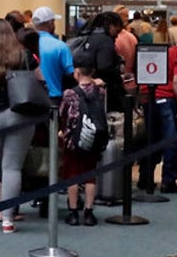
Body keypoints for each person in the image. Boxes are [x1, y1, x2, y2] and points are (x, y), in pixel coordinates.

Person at [0, 19, 44, 234]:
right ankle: (8, 220)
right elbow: (40, 78)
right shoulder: (24, 56)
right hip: (18, 114)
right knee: (12, 167)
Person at [138, 37, 177, 195]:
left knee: (150, 140)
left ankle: (145, 178)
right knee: (171, 142)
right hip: (166, 100)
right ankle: (168, 182)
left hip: (147, 99)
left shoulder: (152, 51)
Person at [59, 55, 105, 227]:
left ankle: (73, 213)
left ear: (77, 72)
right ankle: (89, 212)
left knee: (72, 174)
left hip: (73, 140)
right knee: (90, 175)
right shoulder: (100, 92)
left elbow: (63, 114)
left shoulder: (70, 94)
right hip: (93, 138)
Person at [32, 6, 73, 103]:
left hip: (30, 98)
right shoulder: (60, 46)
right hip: (53, 98)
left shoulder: (26, 43)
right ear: (50, 23)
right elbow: (71, 73)